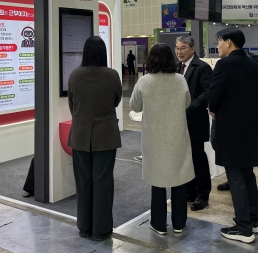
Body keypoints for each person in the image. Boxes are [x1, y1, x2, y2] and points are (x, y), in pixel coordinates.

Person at [130, 44, 194, 235]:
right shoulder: (180, 79)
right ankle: (179, 223)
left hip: (154, 138)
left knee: (157, 181)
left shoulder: (144, 81)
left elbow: (135, 106)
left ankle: (158, 224)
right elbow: (187, 103)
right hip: (177, 136)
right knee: (179, 179)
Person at [208, 29, 258, 244]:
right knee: (247, 174)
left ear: (228, 42)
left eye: (219, 42)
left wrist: (213, 109)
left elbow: (214, 94)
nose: (218, 46)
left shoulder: (225, 64)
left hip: (231, 129)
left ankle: (243, 228)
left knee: (235, 176)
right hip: (250, 127)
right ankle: (253, 220)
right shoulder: (253, 64)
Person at [67, 36, 122, 240]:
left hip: (80, 135)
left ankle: (84, 227)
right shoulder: (112, 75)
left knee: (83, 181)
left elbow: (72, 104)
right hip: (105, 135)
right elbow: (116, 100)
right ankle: (101, 229)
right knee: (103, 181)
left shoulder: (75, 74)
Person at [175, 35, 213, 211]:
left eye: (183, 48)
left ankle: (203, 194)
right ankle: (190, 191)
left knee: (197, 157)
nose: (179, 51)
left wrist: (189, 109)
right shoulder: (177, 67)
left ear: (192, 48)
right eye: (177, 48)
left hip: (195, 120)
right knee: (185, 158)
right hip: (179, 121)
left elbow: (207, 93)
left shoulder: (202, 67)